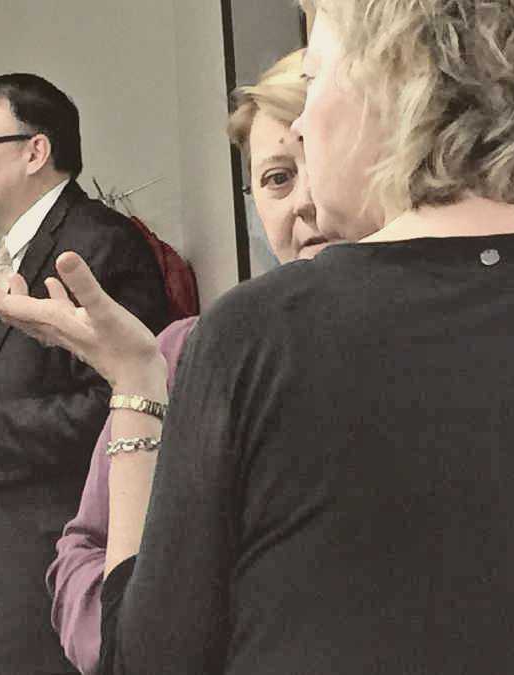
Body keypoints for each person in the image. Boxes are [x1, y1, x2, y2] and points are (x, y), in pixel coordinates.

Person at [0, 0, 514, 672]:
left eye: (315, 78)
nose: (303, 126)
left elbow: (149, 658)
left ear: (391, 79)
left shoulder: (255, 338)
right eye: (273, 177)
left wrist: (136, 386)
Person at [46, 48, 323, 674]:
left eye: (325, 162)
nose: (307, 201)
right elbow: (83, 552)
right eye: (277, 178)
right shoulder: (180, 351)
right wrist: (129, 633)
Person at [0, 72, 170, 675]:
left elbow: (125, 403)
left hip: (53, 556)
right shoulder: (19, 248)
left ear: (35, 151)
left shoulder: (95, 245)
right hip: (2, 556)